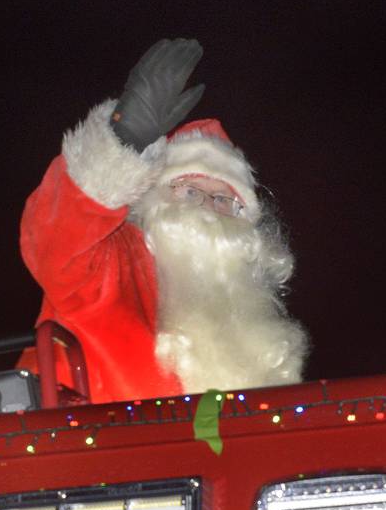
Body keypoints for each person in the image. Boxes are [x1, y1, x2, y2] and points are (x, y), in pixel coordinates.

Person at [19, 39, 307, 404]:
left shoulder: (255, 324)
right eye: (189, 192)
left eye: (224, 200)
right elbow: (53, 238)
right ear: (154, 201)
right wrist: (124, 139)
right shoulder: (111, 266)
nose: (206, 209)